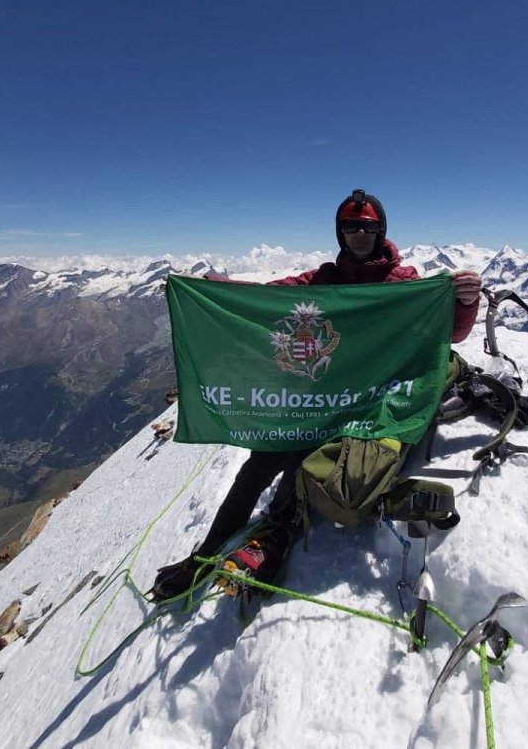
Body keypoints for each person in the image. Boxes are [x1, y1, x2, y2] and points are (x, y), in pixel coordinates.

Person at [149, 189, 482, 601]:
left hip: (366, 401)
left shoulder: (405, 286)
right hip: (321, 394)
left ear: (381, 231)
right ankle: (204, 555)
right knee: (259, 461)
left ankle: (275, 534)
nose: (359, 234)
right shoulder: (322, 281)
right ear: (340, 234)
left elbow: (450, 334)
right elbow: (271, 300)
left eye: (368, 227)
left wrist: (465, 301)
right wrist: (220, 292)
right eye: (350, 227)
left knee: (301, 463)